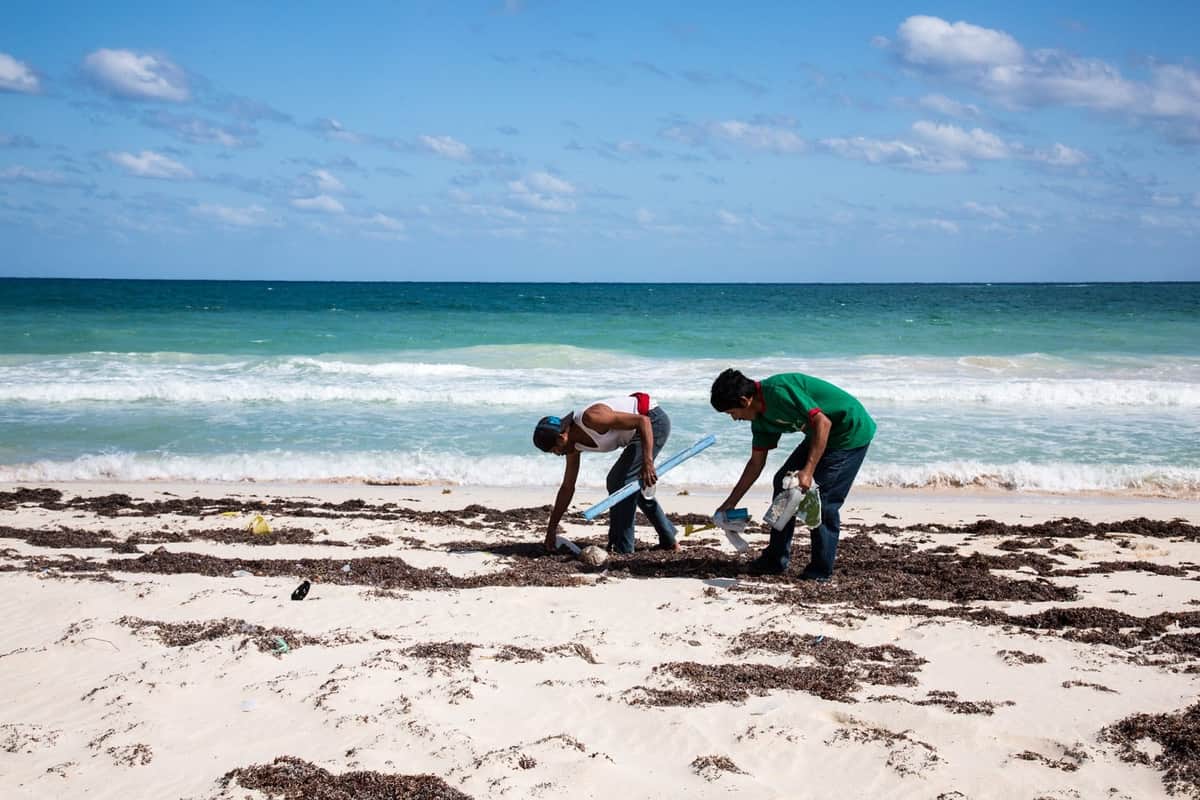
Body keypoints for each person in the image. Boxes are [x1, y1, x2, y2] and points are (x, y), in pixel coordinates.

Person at [710, 368, 874, 579]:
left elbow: (823, 422)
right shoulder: (760, 421)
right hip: (820, 434)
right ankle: (775, 559)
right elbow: (755, 464)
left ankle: (820, 570)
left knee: (822, 499)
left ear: (744, 401)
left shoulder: (779, 390)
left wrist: (808, 471)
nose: (734, 419)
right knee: (782, 482)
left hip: (848, 431)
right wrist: (730, 502)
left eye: (732, 413)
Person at [533, 392, 678, 555]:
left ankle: (622, 548)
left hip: (653, 422)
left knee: (619, 482)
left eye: (554, 451)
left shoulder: (591, 419)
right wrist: (551, 529)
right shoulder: (572, 447)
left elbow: (642, 421)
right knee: (630, 485)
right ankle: (668, 539)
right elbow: (567, 487)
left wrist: (647, 462)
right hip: (639, 431)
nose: (557, 454)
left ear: (561, 439)